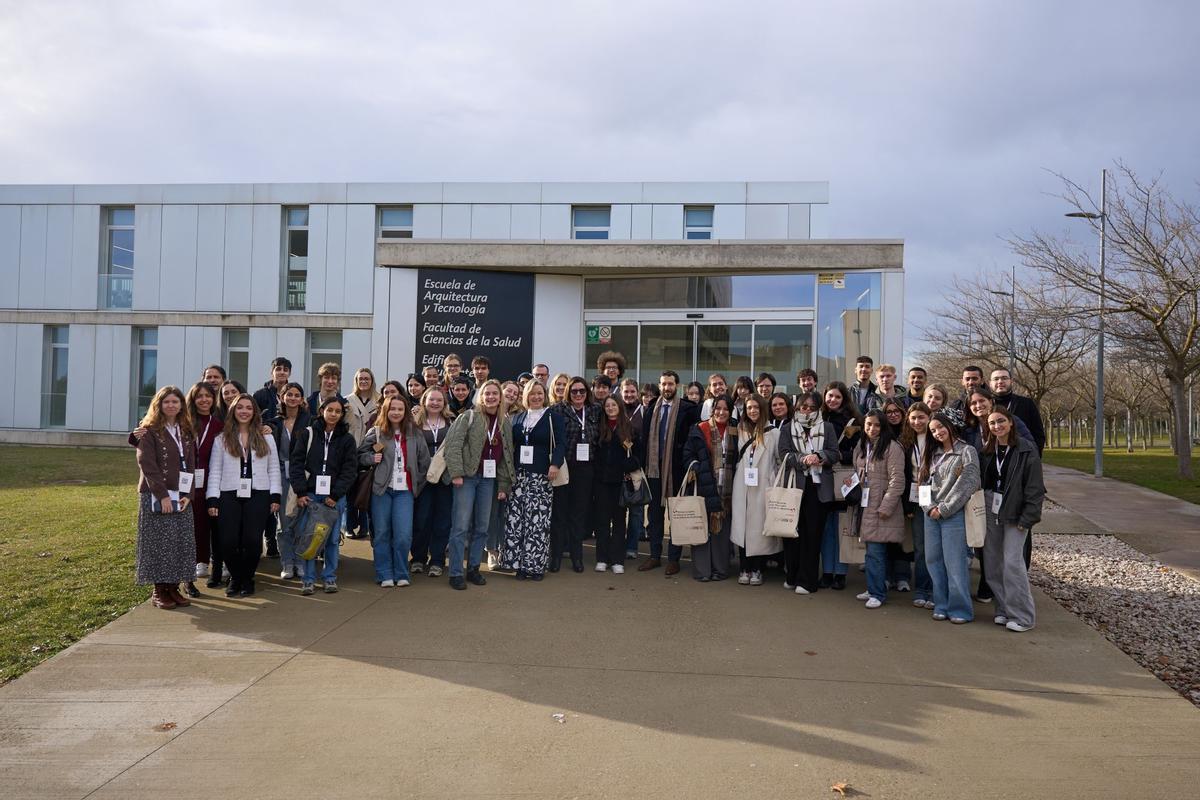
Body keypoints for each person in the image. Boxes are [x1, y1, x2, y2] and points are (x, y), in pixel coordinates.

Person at [207, 393, 282, 597]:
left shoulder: (266, 436)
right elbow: (215, 470)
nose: (244, 411)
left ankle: (247, 578)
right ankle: (236, 577)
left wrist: (275, 495)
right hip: (228, 493)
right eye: (240, 407)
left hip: (259, 492)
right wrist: (212, 498)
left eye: (249, 408)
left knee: (252, 540)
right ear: (233, 411)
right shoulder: (221, 439)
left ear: (254, 412)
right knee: (228, 541)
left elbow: (274, 468)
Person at [443, 379, 513, 590]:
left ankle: (473, 568)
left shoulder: (504, 422)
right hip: (466, 478)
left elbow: (505, 456)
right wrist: (456, 473)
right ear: (480, 396)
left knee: (482, 527)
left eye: (495, 393)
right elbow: (452, 446)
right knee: (461, 527)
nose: (491, 397)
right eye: (487, 393)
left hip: (488, 480)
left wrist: (503, 486)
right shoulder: (469, 416)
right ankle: (455, 572)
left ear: (500, 397)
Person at [135, 386, 200, 609]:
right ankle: (159, 590)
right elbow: (147, 464)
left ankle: (173, 587)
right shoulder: (149, 430)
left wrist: (189, 495)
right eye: (167, 402)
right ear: (159, 404)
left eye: (175, 401)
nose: (171, 405)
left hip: (180, 496)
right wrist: (162, 495)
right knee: (158, 543)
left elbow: (191, 464)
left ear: (182, 405)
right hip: (156, 494)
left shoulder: (186, 429)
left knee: (179, 543)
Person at [981, 406, 1045, 632]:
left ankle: (1023, 617)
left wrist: (1028, 518)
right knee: (992, 562)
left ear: (1010, 423)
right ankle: (1003, 609)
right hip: (991, 507)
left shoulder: (1026, 450)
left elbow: (1036, 488)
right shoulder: (988, 450)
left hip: (1016, 511)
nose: (997, 426)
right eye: (992, 423)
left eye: (1000, 421)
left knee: (1012, 562)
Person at [918, 407, 981, 623]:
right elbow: (923, 484)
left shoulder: (966, 451)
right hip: (930, 515)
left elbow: (968, 484)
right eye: (933, 430)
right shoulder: (932, 454)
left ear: (950, 425)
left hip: (952, 516)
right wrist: (928, 508)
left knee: (955, 563)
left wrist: (943, 508)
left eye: (940, 428)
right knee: (933, 560)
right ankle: (941, 604)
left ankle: (960, 609)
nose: (937, 433)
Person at [360, 395, 431, 587]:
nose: (396, 412)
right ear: (386, 410)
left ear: (405, 411)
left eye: (400, 409)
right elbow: (359, 456)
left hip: (405, 492)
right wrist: (370, 458)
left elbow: (425, 462)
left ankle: (401, 572)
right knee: (382, 533)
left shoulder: (415, 433)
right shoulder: (376, 432)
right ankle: (384, 573)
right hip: (381, 491)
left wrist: (416, 484)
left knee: (403, 535)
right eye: (393, 409)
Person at [290, 396, 357, 595]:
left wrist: (336, 494)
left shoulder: (347, 439)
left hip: (334, 498)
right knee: (311, 537)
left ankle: (329, 577)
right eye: (330, 410)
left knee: (332, 540)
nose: (334, 414)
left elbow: (349, 470)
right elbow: (296, 463)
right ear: (321, 411)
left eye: (338, 411)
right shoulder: (308, 434)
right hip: (311, 495)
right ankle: (308, 579)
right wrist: (301, 492)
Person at [500, 380, 566, 580]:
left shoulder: (553, 418)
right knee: (516, 521)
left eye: (539, 393)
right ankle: (519, 565)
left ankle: (535, 567)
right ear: (526, 396)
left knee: (537, 523)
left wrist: (555, 464)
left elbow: (561, 444)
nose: (536, 397)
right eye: (532, 394)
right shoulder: (518, 418)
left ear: (544, 395)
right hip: (518, 476)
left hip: (542, 476)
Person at [777, 391, 840, 594]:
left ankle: (807, 581)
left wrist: (819, 456)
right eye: (804, 407)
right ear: (797, 408)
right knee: (792, 535)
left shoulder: (828, 427)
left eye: (813, 408)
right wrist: (803, 459)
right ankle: (792, 576)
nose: (808, 411)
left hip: (818, 488)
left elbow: (835, 453)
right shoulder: (787, 428)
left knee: (812, 536)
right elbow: (783, 454)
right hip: (795, 485)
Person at [638, 370, 700, 575]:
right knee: (655, 515)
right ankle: (655, 556)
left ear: (677, 386)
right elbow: (644, 440)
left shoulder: (688, 409)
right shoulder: (651, 409)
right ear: (660, 385)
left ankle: (674, 558)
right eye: (664, 384)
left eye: (670, 384)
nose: (667, 388)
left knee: (677, 515)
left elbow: (693, 440)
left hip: (677, 470)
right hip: (654, 470)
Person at [850, 410, 907, 609]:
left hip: (880, 507)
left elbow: (897, 480)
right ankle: (873, 587)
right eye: (868, 425)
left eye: (876, 425)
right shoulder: (862, 445)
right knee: (870, 551)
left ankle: (877, 593)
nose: (872, 429)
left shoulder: (892, 447)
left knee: (876, 552)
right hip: (865, 505)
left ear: (883, 427)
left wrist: (886, 506)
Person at [681, 394, 734, 581]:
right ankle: (703, 571)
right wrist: (696, 465)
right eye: (718, 408)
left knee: (722, 530)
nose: (721, 412)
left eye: (725, 409)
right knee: (701, 529)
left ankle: (720, 569)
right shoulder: (699, 428)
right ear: (712, 411)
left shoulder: (736, 429)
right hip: (704, 484)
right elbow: (687, 454)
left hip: (728, 488)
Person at [730, 394, 781, 586]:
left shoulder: (773, 432)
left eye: (756, 408)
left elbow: (778, 460)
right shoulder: (739, 430)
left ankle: (757, 568)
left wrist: (773, 482)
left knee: (758, 530)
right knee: (742, 527)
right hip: (742, 485)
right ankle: (744, 567)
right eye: (749, 407)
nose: (752, 411)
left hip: (763, 485)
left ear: (762, 409)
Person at [551, 376, 600, 573]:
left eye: (582, 391)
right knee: (559, 513)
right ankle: (555, 557)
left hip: (585, 468)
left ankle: (576, 557)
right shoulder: (558, 410)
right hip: (563, 466)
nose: (578, 394)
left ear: (587, 393)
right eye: (574, 391)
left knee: (579, 515)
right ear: (568, 393)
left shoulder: (595, 410)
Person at [817, 382, 863, 590]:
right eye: (829, 396)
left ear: (844, 399)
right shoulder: (818, 419)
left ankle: (841, 573)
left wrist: (834, 457)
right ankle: (827, 571)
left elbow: (858, 452)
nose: (832, 400)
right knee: (826, 528)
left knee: (842, 527)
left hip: (844, 478)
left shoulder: (853, 422)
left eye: (837, 396)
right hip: (822, 478)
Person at [594, 394, 641, 573]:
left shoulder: (630, 429)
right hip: (601, 482)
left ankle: (617, 560)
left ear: (619, 407)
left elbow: (638, 456)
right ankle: (602, 558)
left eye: (614, 405)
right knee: (602, 521)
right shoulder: (600, 428)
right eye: (607, 406)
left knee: (620, 521)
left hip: (621, 482)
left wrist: (629, 465)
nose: (611, 408)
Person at [268, 382, 309, 580]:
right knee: (284, 523)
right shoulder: (274, 423)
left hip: (303, 476)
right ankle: (287, 562)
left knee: (302, 523)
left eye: (297, 395)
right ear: (282, 397)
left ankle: (300, 561)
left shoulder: (310, 421)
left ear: (302, 399)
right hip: (280, 475)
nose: (293, 398)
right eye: (289, 394)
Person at [412, 386, 455, 576]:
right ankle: (419, 558)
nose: (435, 403)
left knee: (443, 520)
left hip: (444, 479)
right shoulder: (414, 422)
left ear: (444, 402)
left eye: (439, 400)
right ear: (424, 401)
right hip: (423, 479)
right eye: (431, 399)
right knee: (422, 519)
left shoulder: (451, 422)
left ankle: (437, 560)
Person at [186, 382, 223, 593]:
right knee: (192, 523)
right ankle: (196, 561)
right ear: (193, 398)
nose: (204, 400)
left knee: (210, 521)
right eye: (199, 396)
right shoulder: (184, 423)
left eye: (208, 396)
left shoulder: (219, 425)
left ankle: (207, 560)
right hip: (186, 480)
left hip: (211, 479)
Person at [900, 402, 936, 608]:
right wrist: (907, 506)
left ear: (929, 418)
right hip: (916, 497)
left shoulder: (937, 438)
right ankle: (921, 588)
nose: (917, 422)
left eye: (921, 417)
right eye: (913, 418)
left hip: (936, 495)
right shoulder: (906, 442)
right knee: (921, 547)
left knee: (935, 547)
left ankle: (934, 589)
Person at [344, 367, 380, 540]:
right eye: (361, 378)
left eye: (367, 378)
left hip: (370, 451)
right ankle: (350, 526)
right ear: (356, 381)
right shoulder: (347, 401)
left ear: (372, 381)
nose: (364, 381)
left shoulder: (380, 400)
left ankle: (364, 526)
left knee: (366, 489)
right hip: (351, 451)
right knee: (350, 489)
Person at [620, 378, 648, 558]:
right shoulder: (615, 409)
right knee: (620, 508)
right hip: (618, 467)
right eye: (626, 392)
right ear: (621, 393)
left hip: (638, 466)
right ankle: (618, 545)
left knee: (636, 510)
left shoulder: (645, 412)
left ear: (637, 393)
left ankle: (631, 547)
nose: (629, 395)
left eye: (632, 392)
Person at [990, 368, 1046, 454]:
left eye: (1004, 378)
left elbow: (1038, 434)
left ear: (1011, 381)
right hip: (993, 456)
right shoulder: (985, 405)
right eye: (996, 379)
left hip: (1021, 456)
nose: (1000, 381)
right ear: (990, 383)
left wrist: (1034, 457)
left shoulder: (1026, 403)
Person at [252, 357, 292, 423]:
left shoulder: (294, 396)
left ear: (289, 374)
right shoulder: (259, 395)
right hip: (266, 432)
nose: (282, 372)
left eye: (285, 370)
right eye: (278, 369)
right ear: (271, 372)